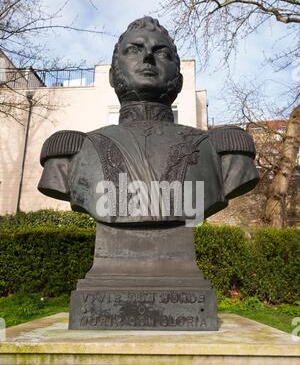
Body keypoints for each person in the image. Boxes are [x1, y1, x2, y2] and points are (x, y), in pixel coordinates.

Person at [38, 17, 259, 224]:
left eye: (161, 53)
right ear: (112, 77)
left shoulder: (223, 152)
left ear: (179, 81)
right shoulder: (70, 154)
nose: (148, 58)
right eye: (134, 50)